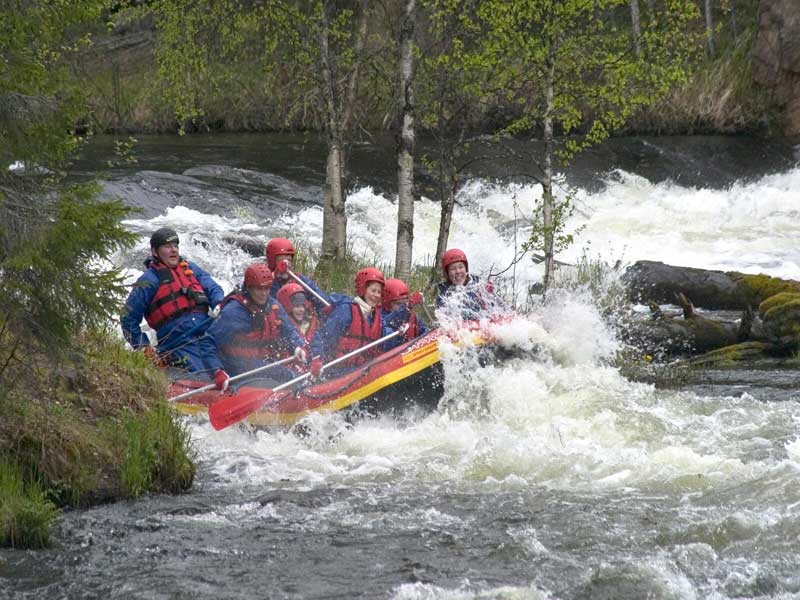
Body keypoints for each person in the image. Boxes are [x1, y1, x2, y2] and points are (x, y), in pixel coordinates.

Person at [121, 227, 225, 377]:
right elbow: (128, 318)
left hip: (207, 331)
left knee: (229, 363)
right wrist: (144, 347)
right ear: (155, 252)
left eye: (176, 246)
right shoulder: (148, 280)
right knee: (203, 376)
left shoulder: (191, 269)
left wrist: (219, 303)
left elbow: (213, 289)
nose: (174, 250)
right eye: (167, 246)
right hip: (177, 341)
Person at [207, 263, 307, 384]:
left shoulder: (273, 305)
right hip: (238, 366)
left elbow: (290, 330)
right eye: (259, 289)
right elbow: (208, 342)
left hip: (263, 362)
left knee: (297, 374)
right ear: (249, 288)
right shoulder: (234, 312)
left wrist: (297, 346)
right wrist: (217, 371)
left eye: (267, 288)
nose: (264, 294)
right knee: (288, 376)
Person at [309, 267, 385, 378]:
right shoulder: (346, 310)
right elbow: (323, 337)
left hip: (361, 371)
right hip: (337, 372)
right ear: (363, 289)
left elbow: (387, 334)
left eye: (379, 292)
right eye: (373, 291)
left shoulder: (375, 317)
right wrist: (317, 358)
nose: (376, 295)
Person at [266, 237, 330, 314]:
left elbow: (322, 302)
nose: (286, 265)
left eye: (289, 261)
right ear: (272, 262)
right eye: (282, 261)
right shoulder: (264, 283)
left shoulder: (300, 280)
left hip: (302, 322)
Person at [435, 248, 499, 319]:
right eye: (453, 269)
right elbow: (443, 319)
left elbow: (494, 311)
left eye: (461, 267)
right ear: (447, 273)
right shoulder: (443, 296)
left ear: (466, 269)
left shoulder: (478, 286)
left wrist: (490, 296)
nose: (458, 271)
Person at [381, 278, 430, 350]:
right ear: (387, 304)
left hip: (411, 356)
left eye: (405, 303)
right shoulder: (380, 320)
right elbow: (387, 342)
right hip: (393, 358)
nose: (403, 307)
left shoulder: (411, 316)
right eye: (398, 304)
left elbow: (426, 332)